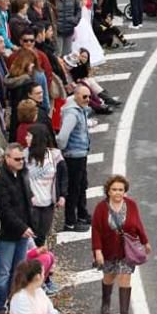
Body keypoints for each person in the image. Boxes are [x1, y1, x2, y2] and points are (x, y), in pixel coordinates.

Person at [91, 175, 150, 314]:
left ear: (125, 191)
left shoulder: (131, 205)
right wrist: (97, 251)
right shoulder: (101, 208)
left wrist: (145, 242)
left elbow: (138, 224)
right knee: (109, 277)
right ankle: (106, 301)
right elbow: (96, 231)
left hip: (126, 251)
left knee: (125, 279)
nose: (118, 193)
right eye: (114, 190)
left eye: (121, 190)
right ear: (108, 191)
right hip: (108, 250)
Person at [0, 145, 34, 314]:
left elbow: (26, 201)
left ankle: (14, 303)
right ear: (7, 158)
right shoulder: (1, 179)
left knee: (18, 270)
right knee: (4, 272)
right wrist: (23, 227)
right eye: (17, 159)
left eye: (22, 159)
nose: (21, 162)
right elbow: (4, 209)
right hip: (8, 234)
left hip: (22, 230)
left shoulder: (22, 173)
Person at [58, 86, 92, 232]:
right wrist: (63, 149)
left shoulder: (79, 108)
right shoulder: (72, 114)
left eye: (89, 96)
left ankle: (82, 214)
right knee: (74, 188)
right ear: (76, 95)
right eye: (85, 97)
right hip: (73, 155)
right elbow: (63, 136)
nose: (88, 100)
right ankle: (70, 221)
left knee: (81, 185)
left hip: (80, 153)